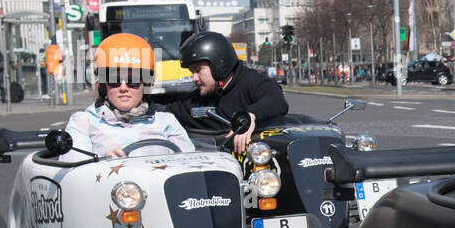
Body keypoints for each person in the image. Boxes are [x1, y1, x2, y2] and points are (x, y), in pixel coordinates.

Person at [65, 33, 193, 158]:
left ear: (146, 84)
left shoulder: (166, 121)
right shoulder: (83, 122)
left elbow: (190, 162)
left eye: (133, 81)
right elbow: (73, 170)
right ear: (104, 84)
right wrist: (102, 163)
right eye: (114, 80)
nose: (123, 88)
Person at [161, 30, 289, 154]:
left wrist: (250, 116)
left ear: (219, 65)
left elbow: (275, 99)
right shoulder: (197, 99)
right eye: (191, 72)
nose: (194, 78)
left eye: (198, 70)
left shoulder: (251, 81)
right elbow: (165, 112)